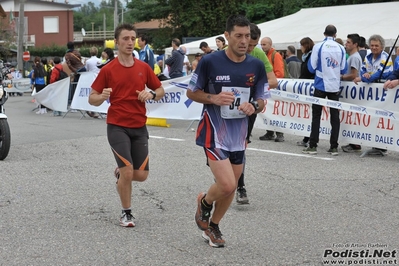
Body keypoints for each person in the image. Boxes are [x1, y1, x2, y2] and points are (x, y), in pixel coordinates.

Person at [187, 14, 268, 248]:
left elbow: (263, 98)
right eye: (239, 36)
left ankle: (213, 226)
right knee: (228, 184)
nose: (244, 41)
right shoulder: (210, 61)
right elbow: (192, 92)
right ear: (227, 36)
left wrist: (253, 105)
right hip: (213, 131)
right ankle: (204, 203)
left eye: (247, 36)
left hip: (238, 135)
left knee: (231, 186)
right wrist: (213, 97)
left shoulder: (255, 65)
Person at [89, 23, 165, 227]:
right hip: (117, 126)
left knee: (141, 175)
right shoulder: (108, 69)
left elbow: (160, 90)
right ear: (117, 42)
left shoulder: (143, 68)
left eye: (133, 38)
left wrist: (150, 93)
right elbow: (91, 99)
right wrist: (101, 96)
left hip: (139, 126)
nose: (130, 42)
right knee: (129, 172)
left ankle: (120, 173)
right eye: (126, 39)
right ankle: (126, 212)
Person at [235, 22, 277, 205]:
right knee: (225, 148)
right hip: (226, 107)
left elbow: (273, 80)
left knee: (241, 145)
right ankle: (226, 177)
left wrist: (255, 87)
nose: (250, 49)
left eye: (254, 45)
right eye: (249, 45)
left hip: (250, 107)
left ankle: (240, 186)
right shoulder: (228, 52)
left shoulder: (258, 54)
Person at [302, 25, 347, 156]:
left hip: (320, 85)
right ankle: (334, 147)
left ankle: (313, 146)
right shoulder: (341, 48)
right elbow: (343, 69)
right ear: (335, 34)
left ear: (324, 33)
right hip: (335, 86)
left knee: (316, 116)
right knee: (335, 117)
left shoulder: (318, 46)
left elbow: (311, 67)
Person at [353, 34, 393, 155]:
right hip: (370, 94)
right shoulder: (368, 57)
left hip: (384, 94)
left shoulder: (386, 57)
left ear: (382, 47)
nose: (374, 47)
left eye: (376, 45)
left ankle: (381, 146)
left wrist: (365, 78)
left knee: (382, 119)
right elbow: (363, 70)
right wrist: (365, 75)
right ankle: (375, 144)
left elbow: (381, 74)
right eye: (372, 45)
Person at [259, 36, 285, 142]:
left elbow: (280, 73)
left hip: (275, 87)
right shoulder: (264, 55)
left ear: (270, 44)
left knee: (276, 110)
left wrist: (269, 79)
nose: (262, 46)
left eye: (264, 44)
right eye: (261, 44)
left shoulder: (276, 55)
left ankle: (279, 133)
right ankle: (270, 132)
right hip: (268, 86)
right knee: (268, 109)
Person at [340, 34, 363, 153]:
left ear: (355, 44)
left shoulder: (354, 57)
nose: (346, 44)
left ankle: (355, 143)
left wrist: (342, 77)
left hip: (352, 89)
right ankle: (353, 142)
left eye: (349, 42)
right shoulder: (352, 56)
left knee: (353, 116)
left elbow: (354, 75)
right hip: (350, 89)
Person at [296, 37, 315, 147]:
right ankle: (306, 138)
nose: (300, 47)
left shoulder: (310, 57)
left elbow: (307, 71)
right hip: (305, 85)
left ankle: (308, 139)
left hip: (309, 87)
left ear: (306, 45)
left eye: (301, 45)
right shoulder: (306, 57)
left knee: (311, 115)